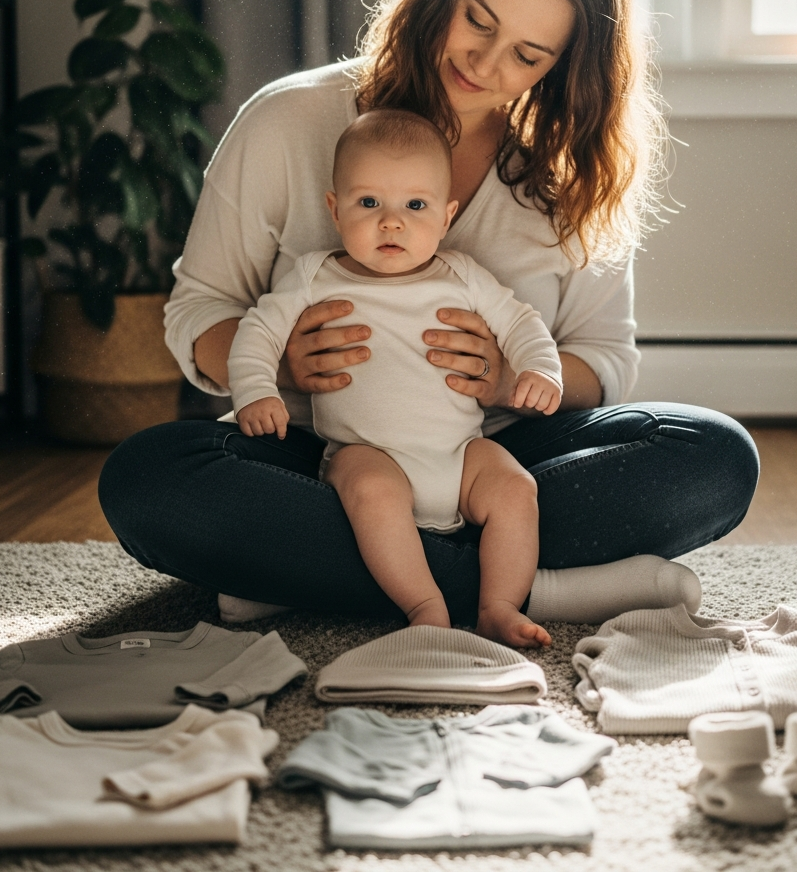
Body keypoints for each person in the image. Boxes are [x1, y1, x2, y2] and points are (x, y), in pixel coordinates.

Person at [98, 0, 759, 630]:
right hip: (325, 456)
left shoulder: (569, 171)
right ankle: (530, 587)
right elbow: (198, 311)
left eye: (527, 56)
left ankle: (313, 576)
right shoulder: (290, 119)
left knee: (714, 455)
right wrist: (284, 365)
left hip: (499, 460)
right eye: (478, 19)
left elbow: (604, 360)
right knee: (147, 480)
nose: (484, 62)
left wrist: (510, 379)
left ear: (562, 68)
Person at [230, 109, 563, 646]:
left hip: (461, 454)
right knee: (371, 491)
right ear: (335, 211)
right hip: (365, 451)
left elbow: (522, 323)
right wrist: (257, 390)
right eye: (369, 203)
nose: (392, 222)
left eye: (415, 205)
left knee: (518, 489)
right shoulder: (315, 275)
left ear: (446, 215)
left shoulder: (463, 276)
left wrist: (539, 369)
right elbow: (257, 332)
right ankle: (425, 606)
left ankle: (498, 605)